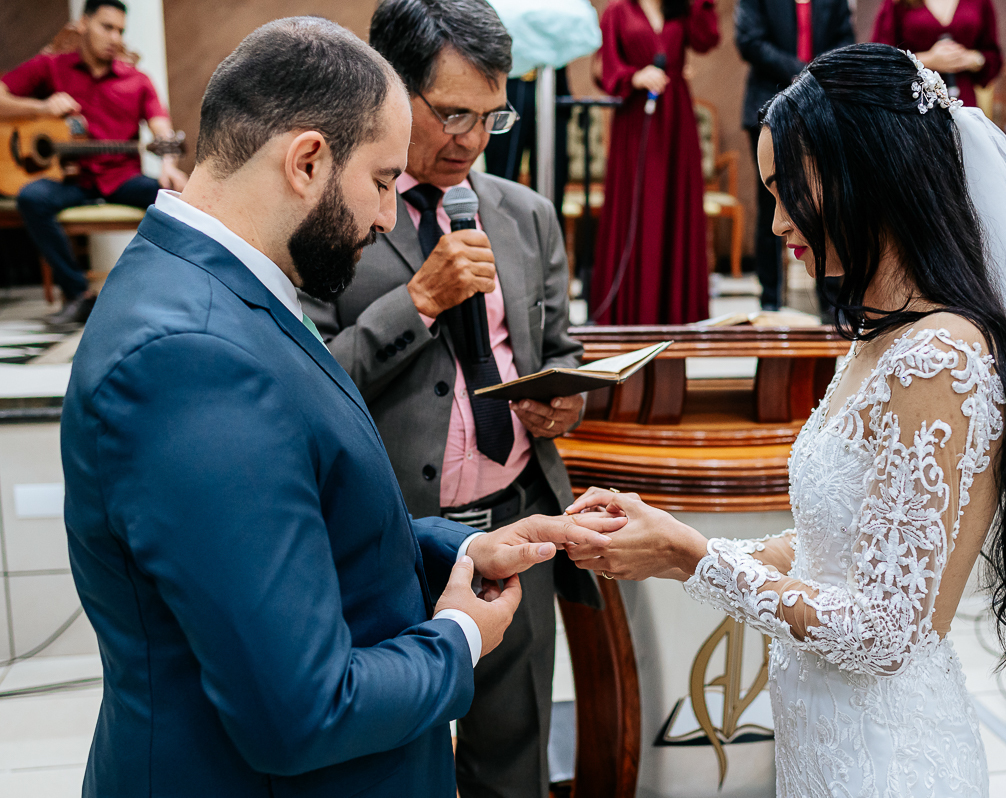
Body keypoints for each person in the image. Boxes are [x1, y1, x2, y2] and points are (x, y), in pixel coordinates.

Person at [564, 44, 1006, 797]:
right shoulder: (884, 338)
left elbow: (884, 633)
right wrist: (667, 539)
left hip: (886, 761)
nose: (777, 223)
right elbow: (840, 547)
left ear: (866, 172)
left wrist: (693, 557)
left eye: (788, 191)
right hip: (831, 744)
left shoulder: (939, 356)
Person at [61, 17, 620, 797]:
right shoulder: (190, 357)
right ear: (307, 162)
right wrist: (459, 635)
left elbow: (303, 530)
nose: (390, 214)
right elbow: (303, 711)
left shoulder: (224, 284)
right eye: (384, 180)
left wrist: (461, 551)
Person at [299, 2, 597, 797]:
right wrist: (417, 303)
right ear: (390, 89)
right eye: (453, 113)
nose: (470, 139)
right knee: (393, 762)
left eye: (493, 117)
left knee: (514, 757)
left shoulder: (526, 215)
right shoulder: (331, 218)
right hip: (389, 534)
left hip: (518, 522)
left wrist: (564, 401)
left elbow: (558, 349)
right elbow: (306, 384)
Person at [0, 0, 188, 325]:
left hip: (122, 178)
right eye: (107, 27)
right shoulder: (51, 67)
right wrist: (41, 108)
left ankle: (168, 294)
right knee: (32, 198)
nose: (115, 37)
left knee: (174, 200)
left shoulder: (138, 80)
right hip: (72, 181)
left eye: (120, 31)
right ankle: (79, 294)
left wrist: (169, 164)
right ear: (84, 24)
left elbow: (162, 128)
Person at [589, 0, 719, 325]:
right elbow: (605, 67)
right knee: (636, 203)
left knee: (676, 204)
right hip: (635, 119)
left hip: (677, 120)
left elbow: (706, 39)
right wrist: (634, 76)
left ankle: (676, 312)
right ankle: (632, 309)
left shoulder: (681, 9)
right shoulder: (618, 11)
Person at [735, 0, 853, 310]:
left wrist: (816, 76)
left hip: (822, 107)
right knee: (771, 206)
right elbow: (750, 41)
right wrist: (803, 73)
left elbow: (845, 38)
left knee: (825, 200)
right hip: (768, 102)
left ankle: (829, 300)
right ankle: (770, 299)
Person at [871, 0, 1002, 110]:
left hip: (962, 102)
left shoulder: (981, 2)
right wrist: (926, 61)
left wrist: (974, 60)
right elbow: (880, 58)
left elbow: (993, 56)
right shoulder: (896, 3)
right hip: (912, 102)